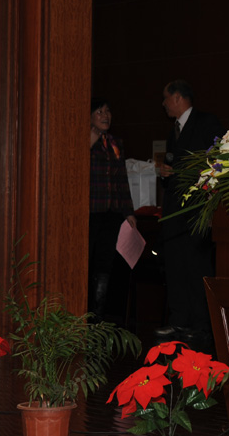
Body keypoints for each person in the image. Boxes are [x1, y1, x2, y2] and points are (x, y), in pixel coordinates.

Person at [158, 80, 226, 350]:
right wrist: (165, 173)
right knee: (176, 268)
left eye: (166, 98)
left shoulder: (207, 122)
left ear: (177, 97)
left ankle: (201, 326)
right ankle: (179, 322)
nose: (163, 104)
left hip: (196, 212)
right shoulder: (173, 130)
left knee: (197, 269)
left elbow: (219, 160)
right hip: (174, 213)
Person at [88, 98, 137, 322]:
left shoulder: (115, 143)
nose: (105, 116)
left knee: (105, 265)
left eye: (107, 111)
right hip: (90, 212)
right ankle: (84, 314)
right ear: (89, 116)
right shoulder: (83, 140)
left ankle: (98, 316)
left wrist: (129, 212)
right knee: (88, 263)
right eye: (99, 112)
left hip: (112, 213)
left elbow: (122, 180)